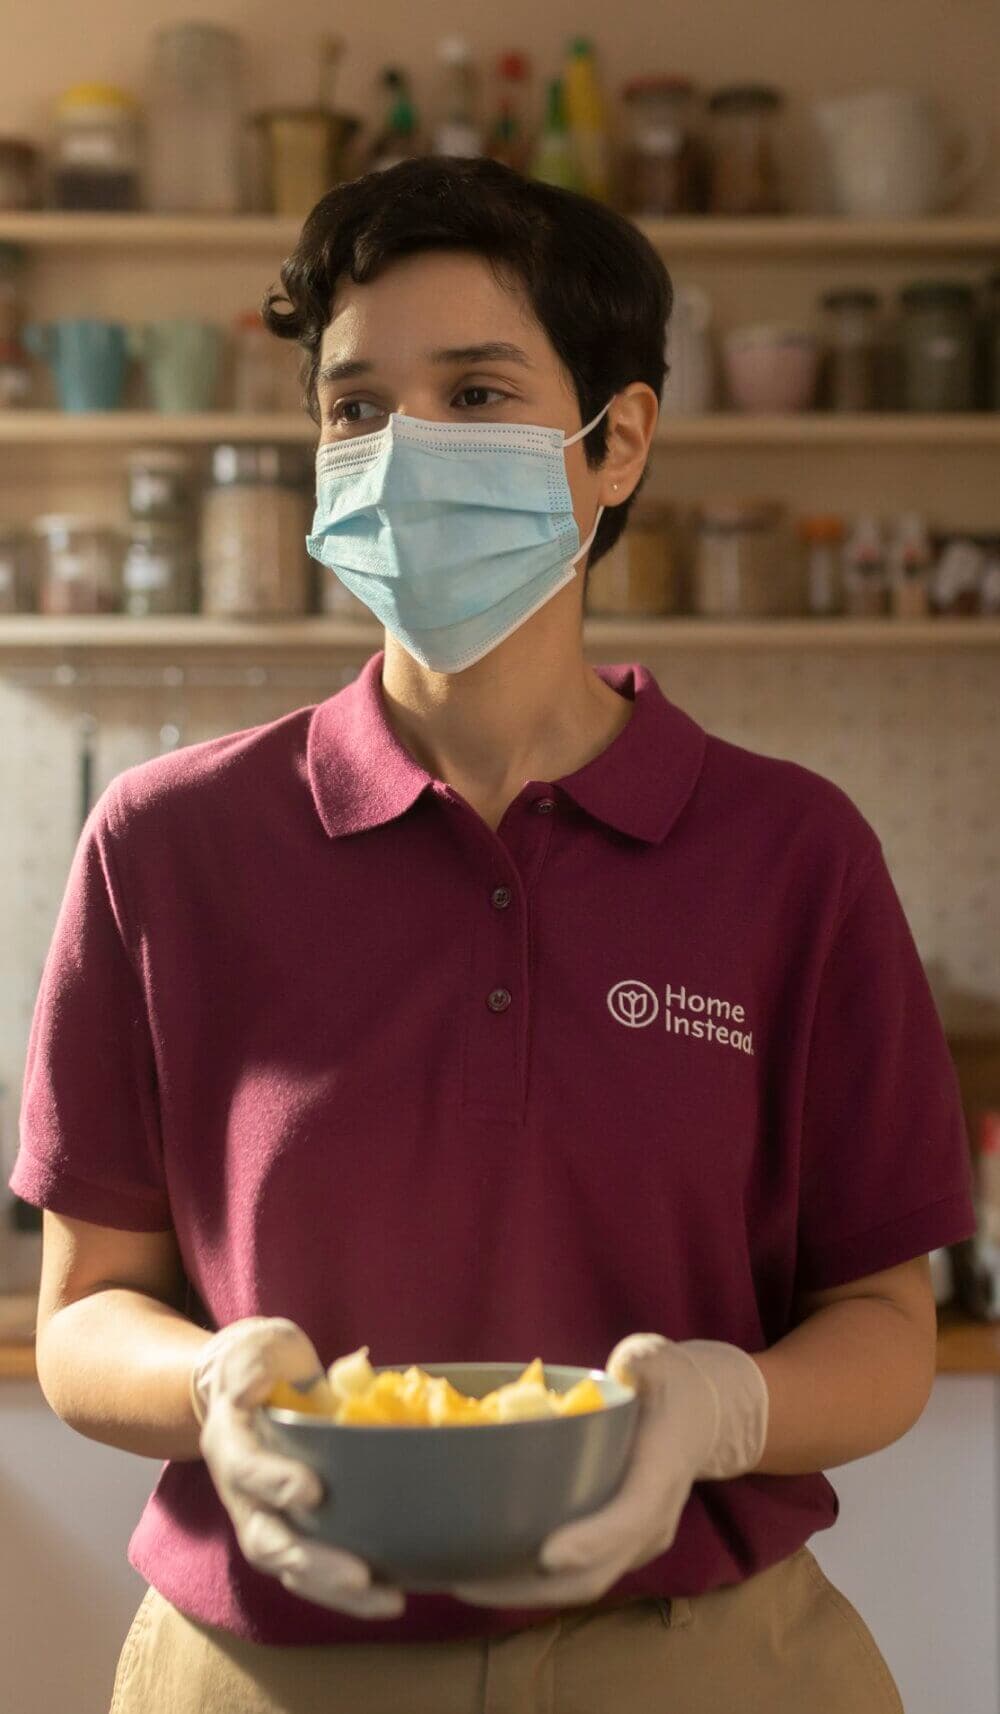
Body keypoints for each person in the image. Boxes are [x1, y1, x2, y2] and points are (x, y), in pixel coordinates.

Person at [11, 157, 977, 1714]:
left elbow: (882, 1322)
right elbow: (81, 1314)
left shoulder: (794, 855)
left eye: (474, 392)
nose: (403, 452)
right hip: (266, 1662)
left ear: (618, 442)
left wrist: (720, 1409)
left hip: (703, 1662)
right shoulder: (167, 845)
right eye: (355, 406)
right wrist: (210, 1384)